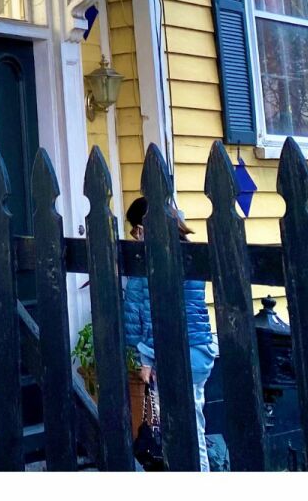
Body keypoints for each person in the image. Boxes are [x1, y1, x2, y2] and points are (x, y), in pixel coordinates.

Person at [124, 196, 219, 471]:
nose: (134, 237)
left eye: (135, 230)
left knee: (181, 431)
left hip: (175, 354)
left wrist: (146, 358)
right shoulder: (185, 253)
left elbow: (161, 313)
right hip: (197, 350)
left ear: (143, 227)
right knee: (190, 426)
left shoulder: (162, 261)